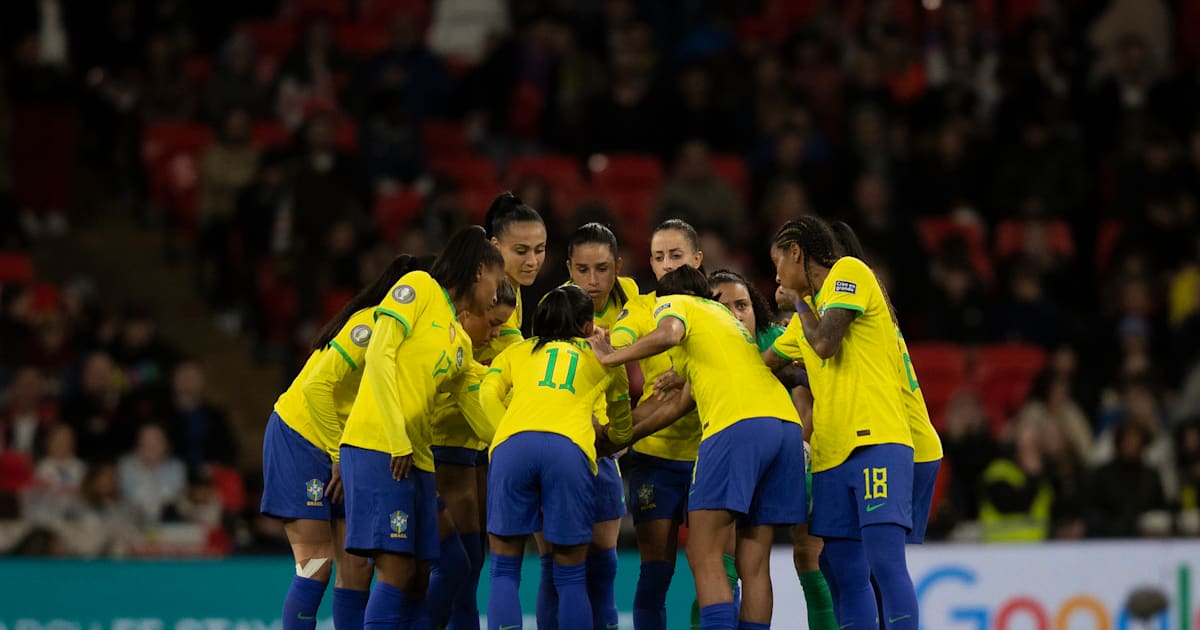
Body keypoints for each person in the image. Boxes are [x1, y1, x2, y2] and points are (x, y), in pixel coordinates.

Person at [591, 265, 806, 630]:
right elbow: (674, 407)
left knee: (703, 552)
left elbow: (670, 332)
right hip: (785, 429)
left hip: (735, 427)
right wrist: (612, 441)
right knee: (753, 562)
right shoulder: (727, 326)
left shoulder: (675, 304)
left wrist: (611, 356)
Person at [339, 227, 506, 630]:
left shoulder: (460, 343)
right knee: (396, 572)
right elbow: (380, 355)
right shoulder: (419, 286)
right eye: (498, 284)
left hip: (415, 460)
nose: (498, 296)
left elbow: (484, 417)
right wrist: (397, 441)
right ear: (480, 271)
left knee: (428, 575)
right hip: (379, 447)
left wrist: (522, 441)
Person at [261, 253, 432, 630]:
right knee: (316, 563)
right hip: (302, 437)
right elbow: (317, 387)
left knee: (356, 567)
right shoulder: (370, 326)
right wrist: (338, 455)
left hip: (344, 447)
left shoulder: (413, 341)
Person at [766, 217, 918, 630]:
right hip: (831, 456)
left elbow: (825, 344)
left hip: (876, 440)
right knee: (843, 571)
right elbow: (765, 366)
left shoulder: (848, 272)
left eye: (778, 264)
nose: (776, 277)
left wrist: (797, 299)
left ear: (797, 252)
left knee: (885, 563)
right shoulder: (806, 316)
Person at [481, 285, 634, 630]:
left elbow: (487, 395)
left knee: (503, 570)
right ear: (586, 326)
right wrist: (612, 436)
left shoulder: (516, 352)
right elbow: (623, 429)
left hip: (511, 448)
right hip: (568, 450)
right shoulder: (603, 356)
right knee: (570, 575)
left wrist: (505, 434)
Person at [710, 268, 838, 630]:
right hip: (738, 456)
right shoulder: (703, 344)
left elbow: (807, 397)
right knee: (722, 562)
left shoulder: (777, 339)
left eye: (742, 305)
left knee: (809, 556)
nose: (735, 314)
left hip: (796, 455)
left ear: (756, 309)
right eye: (724, 306)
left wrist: (802, 448)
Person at [539, 222, 638, 630]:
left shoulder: (632, 297)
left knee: (604, 565)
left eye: (601, 269)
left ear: (617, 266)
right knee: (556, 567)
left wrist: (619, 429)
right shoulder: (555, 305)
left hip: (606, 450)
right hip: (566, 442)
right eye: (581, 270)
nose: (592, 281)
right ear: (568, 267)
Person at [610, 220, 706, 630]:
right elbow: (620, 337)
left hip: (709, 456)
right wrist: (609, 346)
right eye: (660, 257)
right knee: (656, 572)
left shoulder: (715, 305)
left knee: (716, 573)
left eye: (677, 256)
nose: (668, 265)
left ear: (697, 260)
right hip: (656, 456)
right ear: (650, 261)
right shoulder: (645, 306)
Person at [427, 279, 518, 630]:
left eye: (503, 325)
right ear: (467, 312)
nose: (496, 333)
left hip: (468, 460)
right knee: (448, 570)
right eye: (493, 322)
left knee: (467, 568)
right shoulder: (445, 348)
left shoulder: (513, 347)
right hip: (437, 459)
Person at [483, 192, 547, 344]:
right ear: (496, 246)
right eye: (521, 251)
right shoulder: (487, 293)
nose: (532, 261)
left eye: (539, 250)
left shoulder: (513, 285)